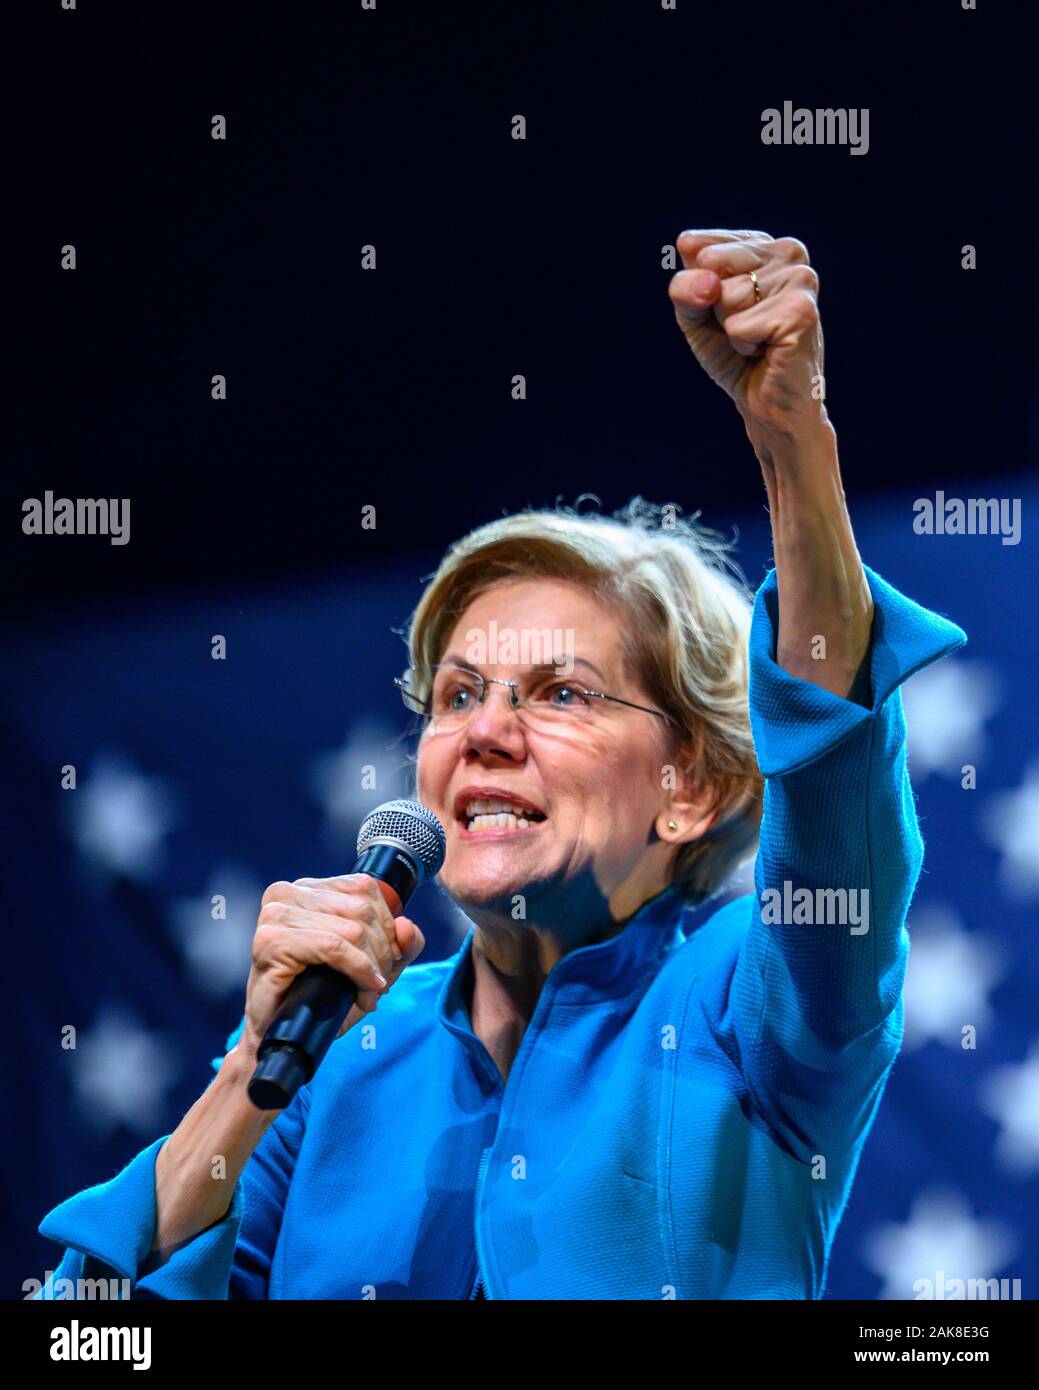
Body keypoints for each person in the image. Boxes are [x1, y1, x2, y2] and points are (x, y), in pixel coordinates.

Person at [36, 229, 965, 1299]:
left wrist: (789, 437)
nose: (485, 730)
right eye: (459, 695)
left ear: (693, 787)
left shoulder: (755, 999)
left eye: (561, 693)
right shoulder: (336, 1058)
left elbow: (830, 762)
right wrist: (251, 1071)